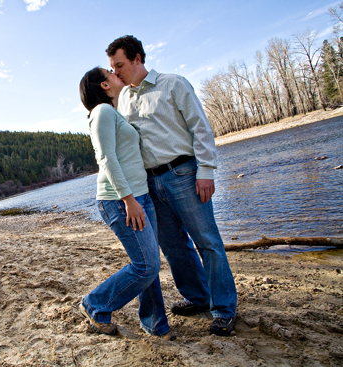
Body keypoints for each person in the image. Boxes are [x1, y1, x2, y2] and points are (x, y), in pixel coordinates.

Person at [106, 35, 237, 337]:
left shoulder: (174, 84)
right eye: (112, 68)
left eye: (120, 65)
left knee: (208, 242)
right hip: (150, 184)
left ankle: (224, 309)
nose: (116, 73)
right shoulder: (124, 99)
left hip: (184, 175)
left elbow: (200, 127)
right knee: (174, 247)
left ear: (138, 58)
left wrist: (206, 170)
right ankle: (198, 297)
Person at [78, 66, 174, 340]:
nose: (114, 72)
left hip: (139, 195)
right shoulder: (102, 112)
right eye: (109, 71)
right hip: (120, 199)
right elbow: (106, 158)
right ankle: (95, 304)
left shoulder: (114, 112)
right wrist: (128, 199)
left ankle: (156, 325)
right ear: (104, 85)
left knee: (149, 262)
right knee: (146, 266)